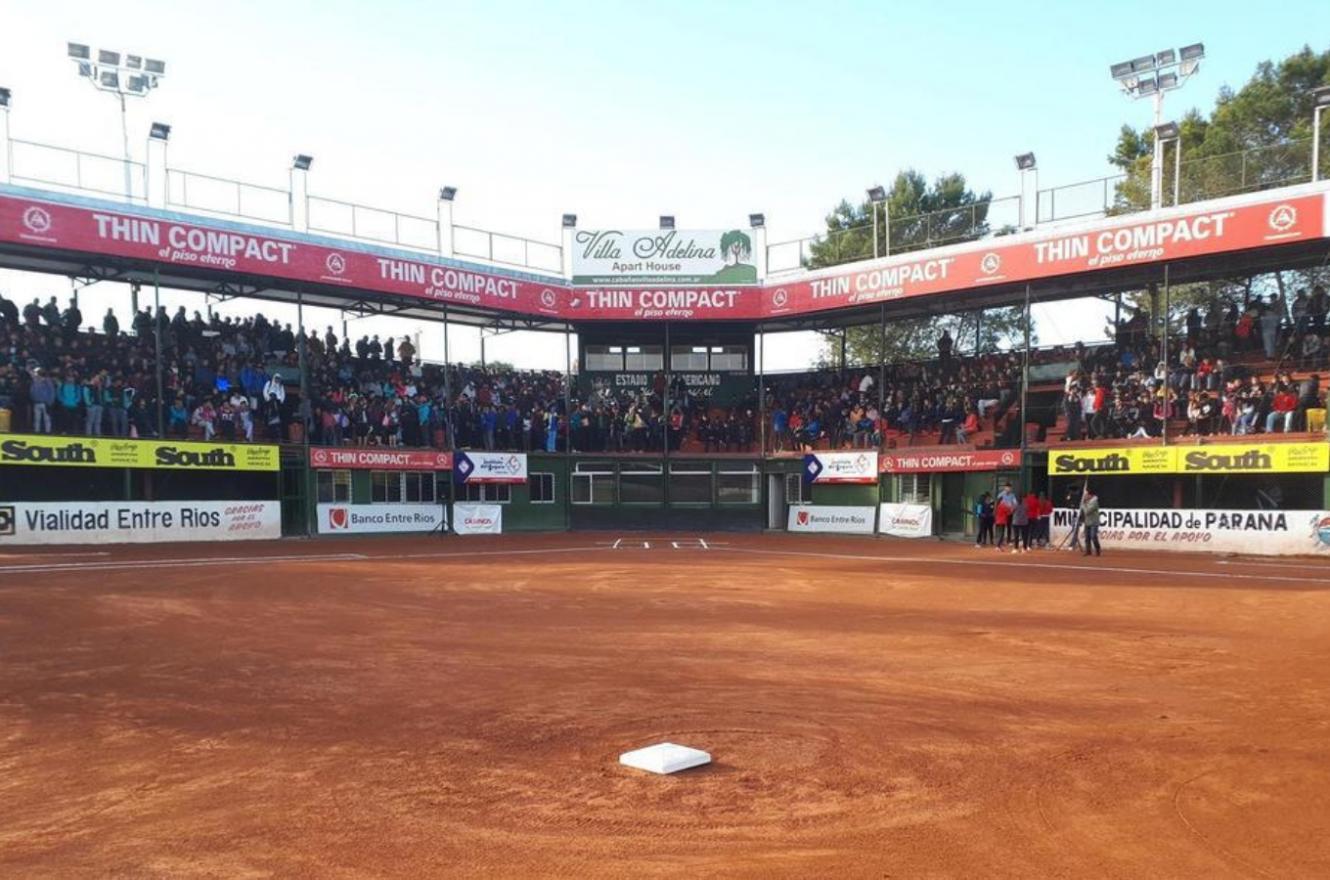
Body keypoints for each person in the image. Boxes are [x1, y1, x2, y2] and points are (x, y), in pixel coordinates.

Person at [1080, 486, 1102, 557]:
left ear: (1091, 495)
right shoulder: (1087, 501)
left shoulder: (1094, 502)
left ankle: (1097, 549)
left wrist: (1083, 504)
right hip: (1087, 522)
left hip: (1094, 522)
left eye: (1087, 494)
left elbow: (1087, 511)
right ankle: (1088, 551)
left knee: (1093, 536)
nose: (1085, 496)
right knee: (1087, 537)